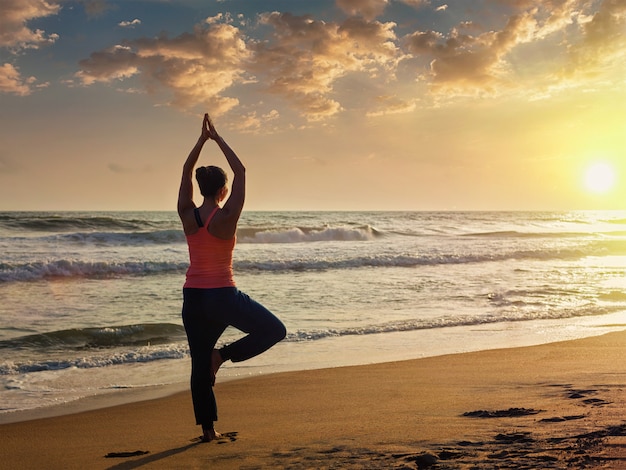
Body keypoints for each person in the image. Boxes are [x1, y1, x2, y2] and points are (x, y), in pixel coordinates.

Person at [178, 113, 286, 442]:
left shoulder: (187, 212)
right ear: (223, 190)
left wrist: (200, 141)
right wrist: (217, 137)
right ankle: (221, 356)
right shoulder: (226, 215)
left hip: (194, 298)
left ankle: (208, 431)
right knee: (274, 330)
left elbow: (185, 171)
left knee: (199, 363)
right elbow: (241, 170)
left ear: (200, 188)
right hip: (224, 296)